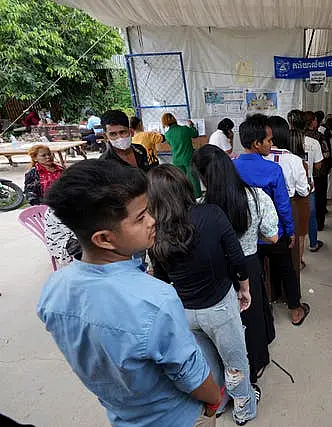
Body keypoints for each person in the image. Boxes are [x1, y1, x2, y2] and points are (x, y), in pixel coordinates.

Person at [38, 160, 221, 427]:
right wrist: (214, 399)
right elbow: (190, 375)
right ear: (104, 238)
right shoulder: (156, 300)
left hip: (122, 416)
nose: (153, 220)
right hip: (177, 417)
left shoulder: (53, 291)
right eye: (140, 217)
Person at [148, 164, 258, 425]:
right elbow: (237, 260)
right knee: (235, 363)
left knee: (206, 364)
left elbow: (161, 280)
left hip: (185, 311)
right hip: (219, 306)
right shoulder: (211, 214)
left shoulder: (154, 232)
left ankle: (217, 405)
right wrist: (244, 288)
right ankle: (244, 410)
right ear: (186, 185)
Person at [192, 145, 279, 387]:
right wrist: (250, 237)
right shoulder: (256, 196)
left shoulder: (201, 206)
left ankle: (227, 368)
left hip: (217, 269)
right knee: (252, 316)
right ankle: (258, 361)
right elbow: (273, 237)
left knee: (226, 323)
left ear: (202, 176)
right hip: (249, 263)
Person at [234, 114, 310, 326]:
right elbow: (283, 204)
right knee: (286, 268)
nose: (271, 143)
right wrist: (290, 230)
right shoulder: (272, 169)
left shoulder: (232, 166)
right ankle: (295, 309)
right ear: (257, 144)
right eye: (268, 140)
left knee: (255, 274)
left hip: (246, 234)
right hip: (273, 233)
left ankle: (261, 309)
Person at [266, 115, 310, 277]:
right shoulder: (294, 160)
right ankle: (291, 286)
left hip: (265, 206)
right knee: (291, 246)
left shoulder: (262, 157)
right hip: (289, 204)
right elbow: (303, 191)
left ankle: (272, 287)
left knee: (268, 244)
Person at [299, 111, 325, 251]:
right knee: (311, 214)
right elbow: (318, 164)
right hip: (308, 183)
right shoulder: (314, 142)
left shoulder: (290, 141)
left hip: (291, 185)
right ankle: (313, 243)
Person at [305, 111, 332, 234]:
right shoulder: (320, 137)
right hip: (319, 174)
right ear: (313, 122)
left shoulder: (299, 137)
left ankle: (307, 224)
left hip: (303, 174)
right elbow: (326, 154)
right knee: (320, 199)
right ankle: (319, 224)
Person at [162, 112, 201, 197]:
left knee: (181, 180)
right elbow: (195, 134)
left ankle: (185, 197)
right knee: (193, 178)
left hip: (176, 160)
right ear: (174, 119)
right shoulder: (184, 129)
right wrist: (191, 125)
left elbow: (170, 143)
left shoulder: (167, 134)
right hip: (188, 158)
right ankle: (197, 197)